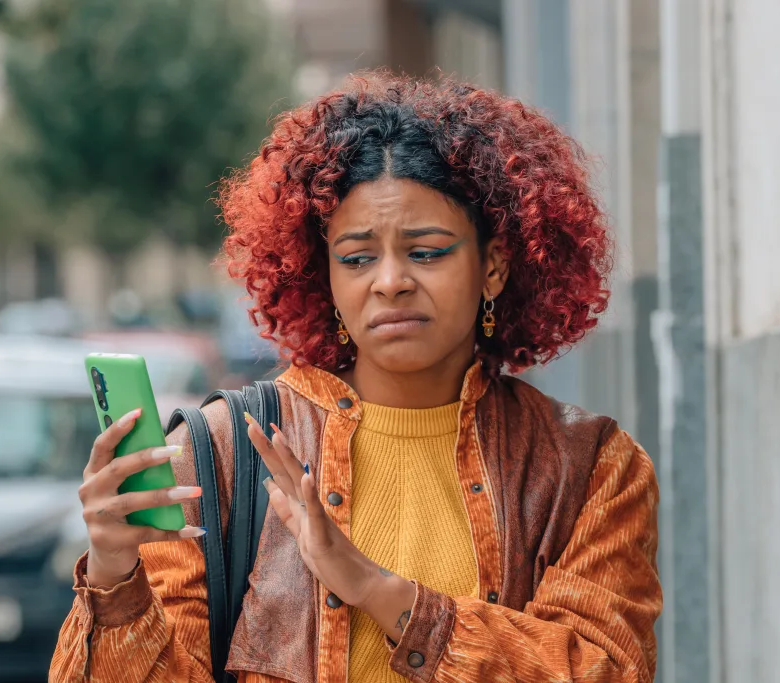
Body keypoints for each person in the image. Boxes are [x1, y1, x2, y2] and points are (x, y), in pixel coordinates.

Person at [51, 72, 661, 683]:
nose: (390, 280)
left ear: (495, 266)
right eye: (357, 257)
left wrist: (373, 587)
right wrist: (113, 577)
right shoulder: (220, 454)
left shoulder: (589, 467)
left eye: (426, 251)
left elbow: (604, 670)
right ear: (328, 279)